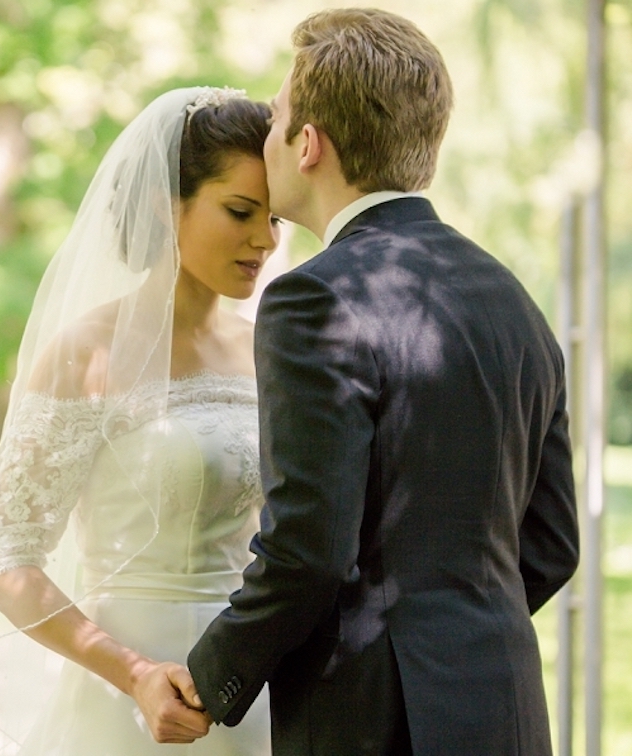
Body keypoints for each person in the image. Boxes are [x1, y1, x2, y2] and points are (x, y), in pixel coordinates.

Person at [160, 9, 578, 755]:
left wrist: (210, 677)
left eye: (279, 116)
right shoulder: (513, 301)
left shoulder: (313, 299)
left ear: (310, 144)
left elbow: (307, 550)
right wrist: (459, 638)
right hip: (504, 710)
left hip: (374, 724)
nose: (269, 133)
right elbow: (551, 544)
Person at [0, 86, 281, 755]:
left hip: (249, 694)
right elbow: (7, 564)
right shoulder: (86, 353)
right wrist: (134, 675)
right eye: (240, 211)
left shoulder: (266, 348)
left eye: (275, 216)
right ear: (169, 211)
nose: (266, 239)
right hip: (126, 703)